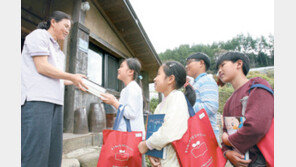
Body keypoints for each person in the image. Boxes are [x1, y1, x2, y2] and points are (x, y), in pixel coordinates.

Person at [21, 11, 88, 167]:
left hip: (55, 102)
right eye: (65, 26)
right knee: (35, 152)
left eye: (69, 28)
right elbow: (42, 67)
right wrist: (72, 76)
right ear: (53, 22)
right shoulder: (39, 36)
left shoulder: (58, 50)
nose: (67, 30)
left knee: (52, 152)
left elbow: (56, 77)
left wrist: (74, 81)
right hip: (37, 100)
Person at [216, 51, 273, 167]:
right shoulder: (228, 102)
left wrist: (229, 141)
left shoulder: (257, 86)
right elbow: (226, 132)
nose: (219, 71)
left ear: (239, 64)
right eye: (218, 68)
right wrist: (227, 153)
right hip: (242, 162)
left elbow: (256, 126)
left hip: (261, 160)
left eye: (223, 65)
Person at [138, 61, 196, 167]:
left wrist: (146, 145)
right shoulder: (161, 104)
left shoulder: (177, 97)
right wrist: (152, 153)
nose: (155, 79)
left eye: (158, 74)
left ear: (170, 79)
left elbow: (170, 131)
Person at [99, 58, 146, 166]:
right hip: (131, 136)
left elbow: (131, 113)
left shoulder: (132, 88)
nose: (118, 69)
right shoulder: (129, 89)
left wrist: (114, 102)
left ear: (130, 72)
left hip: (131, 138)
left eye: (121, 66)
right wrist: (114, 102)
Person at [185, 52, 220, 143]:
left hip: (207, 135)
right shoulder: (195, 83)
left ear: (201, 63)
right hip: (198, 134)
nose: (186, 66)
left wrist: (186, 107)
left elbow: (211, 107)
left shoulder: (207, 80)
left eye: (189, 62)